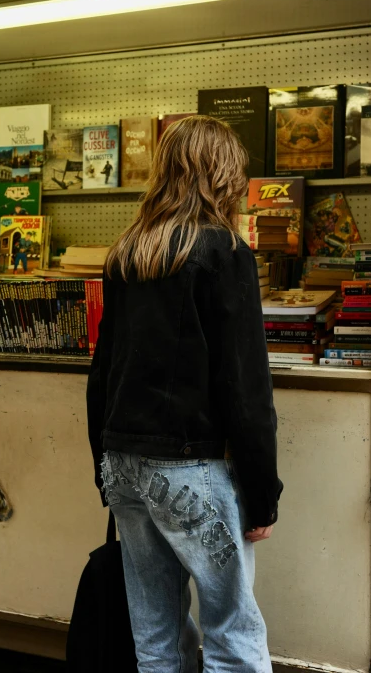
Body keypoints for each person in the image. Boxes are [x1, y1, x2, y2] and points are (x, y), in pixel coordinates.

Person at [87, 115, 282, 673]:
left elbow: (102, 372)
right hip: (192, 467)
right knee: (232, 632)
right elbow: (245, 386)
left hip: (124, 463)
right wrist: (263, 493)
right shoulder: (225, 253)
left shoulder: (127, 254)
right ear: (224, 173)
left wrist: (104, 469)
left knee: (156, 636)